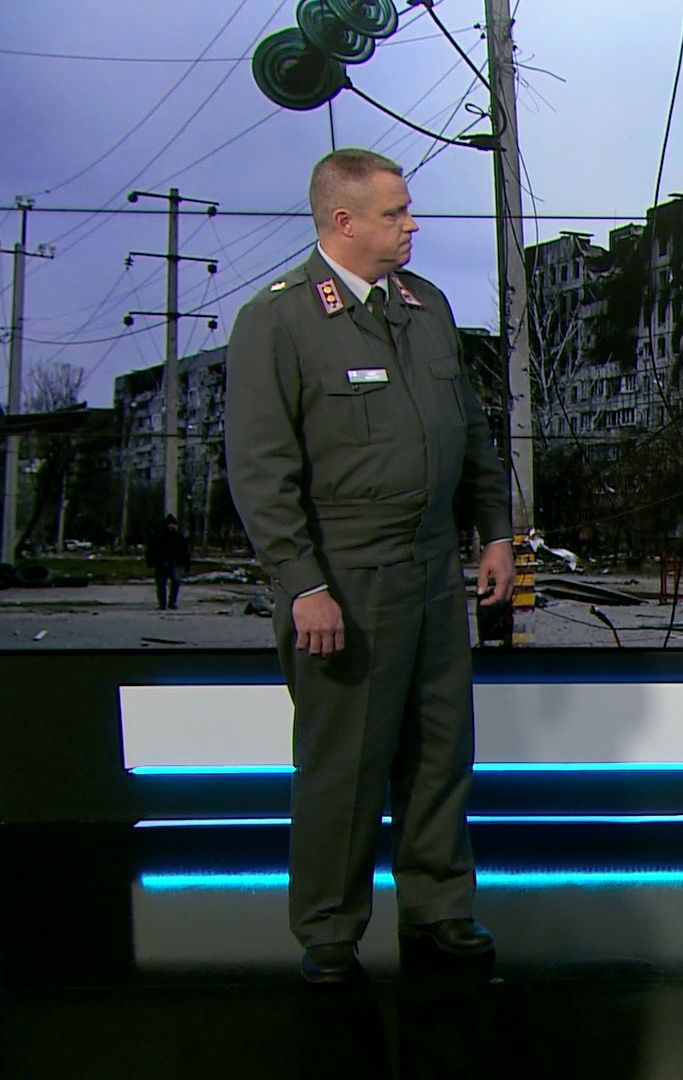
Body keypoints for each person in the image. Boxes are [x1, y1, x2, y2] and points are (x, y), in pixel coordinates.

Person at [225, 148, 516, 984]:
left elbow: (471, 435)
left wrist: (495, 532)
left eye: (409, 209)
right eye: (395, 213)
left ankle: (439, 908)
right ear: (343, 221)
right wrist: (303, 584)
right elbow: (261, 472)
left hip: (431, 569)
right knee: (344, 763)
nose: (411, 224)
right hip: (344, 575)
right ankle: (328, 929)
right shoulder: (279, 319)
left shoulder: (426, 306)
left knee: (440, 748)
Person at [144, 514, 191, 610]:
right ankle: (163, 603)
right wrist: (150, 561)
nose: (171, 526)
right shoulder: (158, 536)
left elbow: (184, 552)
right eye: (170, 524)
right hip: (161, 563)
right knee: (161, 584)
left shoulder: (178, 537)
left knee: (176, 581)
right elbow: (151, 550)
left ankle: (172, 602)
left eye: (173, 524)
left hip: (173, 563)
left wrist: (186, 564)